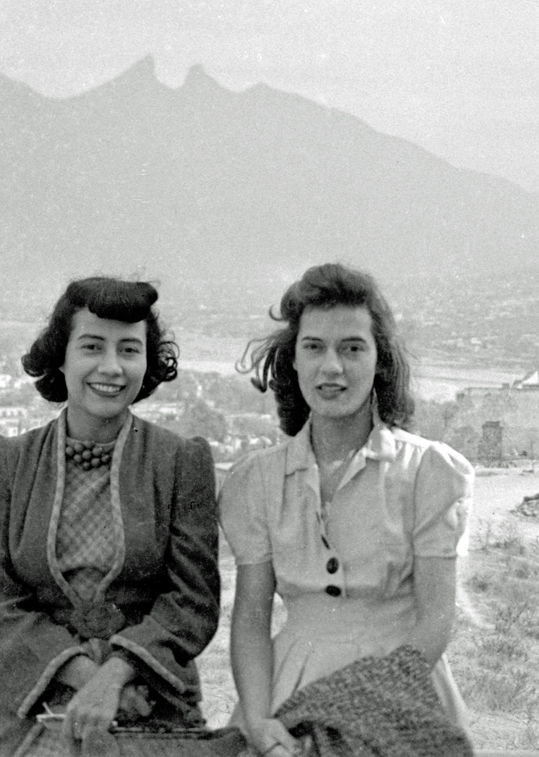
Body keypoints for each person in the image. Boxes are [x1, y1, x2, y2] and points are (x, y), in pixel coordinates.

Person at [0, 277, 221, 757]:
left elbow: (193, 599)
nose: (111, 367)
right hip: (35, 698)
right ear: (61, 356)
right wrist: (85, 677)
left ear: (148, 362)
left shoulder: (180, 462)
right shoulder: (7, 461)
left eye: (129, 349)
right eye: (92, 346)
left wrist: (117, 676)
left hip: (149, 700)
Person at [218, 264, 473, 757]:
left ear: (380, 360)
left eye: (352, 348)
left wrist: (355, 710)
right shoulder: (256, 481)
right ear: (292, 360)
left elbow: (437, 616)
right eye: (314, 347)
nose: (331, 367)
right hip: (287, 695)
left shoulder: (429, 472)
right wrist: (256, 720)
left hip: (401, 693)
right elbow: (251, 618)